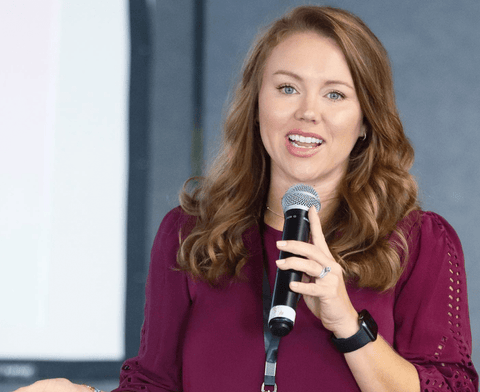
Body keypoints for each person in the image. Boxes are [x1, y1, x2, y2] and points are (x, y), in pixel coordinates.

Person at [15, 5, 478, 392]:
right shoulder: (190, 235)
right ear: (256, 104)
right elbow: (156, 383)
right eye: (287, 88)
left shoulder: (421, 244)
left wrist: (347, 323)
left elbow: (451, 386)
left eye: (335, 94)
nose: (308, 112)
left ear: (365, 122)